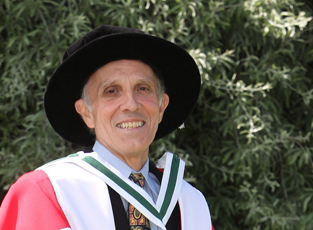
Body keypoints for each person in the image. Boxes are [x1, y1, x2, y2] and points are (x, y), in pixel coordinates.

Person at [0, 25, 213, 230]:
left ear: (161, 107)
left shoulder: (190, 203)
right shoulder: (48, 192)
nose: (131, 104)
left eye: (143, 88)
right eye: (112, 91)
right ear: (87, 113)